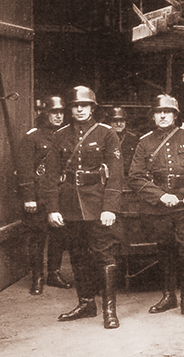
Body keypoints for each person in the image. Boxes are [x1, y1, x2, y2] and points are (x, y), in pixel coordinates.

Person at [128, 94, 184, 318]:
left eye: (167, 112)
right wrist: (159, 196)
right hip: (160, 207)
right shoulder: (145, 141)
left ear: (175, 115)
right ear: (153, 116)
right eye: (158, 112)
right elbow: (135, 176)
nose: (162, 115)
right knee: (165, 249)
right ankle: (169, 296)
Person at [42, 86, 124, 329]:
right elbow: (51, 175)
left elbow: (116, 175)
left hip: (98, 203)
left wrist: (109, 207)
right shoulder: (61, 135)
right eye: (75, 106)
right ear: (71, 109)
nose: (79, 109)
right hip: (70, 205)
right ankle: (86, 303)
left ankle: (109, 311)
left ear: (92, 108)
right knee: (77, 255)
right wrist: (52, 208)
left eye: (84, 105)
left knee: (104, 254)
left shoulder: (107, 134)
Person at [15, 95, 72, 295]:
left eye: (61, 112)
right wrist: (28, 197)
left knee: (58, 236)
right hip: (38, 197)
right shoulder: (33, 137)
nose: (58, 116)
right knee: (37, 237)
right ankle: (37, 277)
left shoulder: (67, 135)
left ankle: (54, 273)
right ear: (44, 113)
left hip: (60, 195)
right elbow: (24, 169)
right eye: (53, 112)